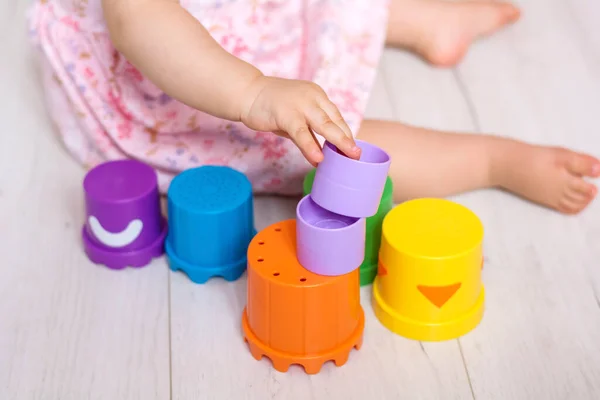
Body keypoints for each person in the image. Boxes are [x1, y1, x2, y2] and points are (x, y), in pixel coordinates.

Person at [28, 0, 599, 214]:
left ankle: (423, 21)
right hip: (172, 84)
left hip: (230, 15)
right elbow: (142, 24)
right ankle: (494, 161)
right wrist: (254, 93)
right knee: (326, 150)